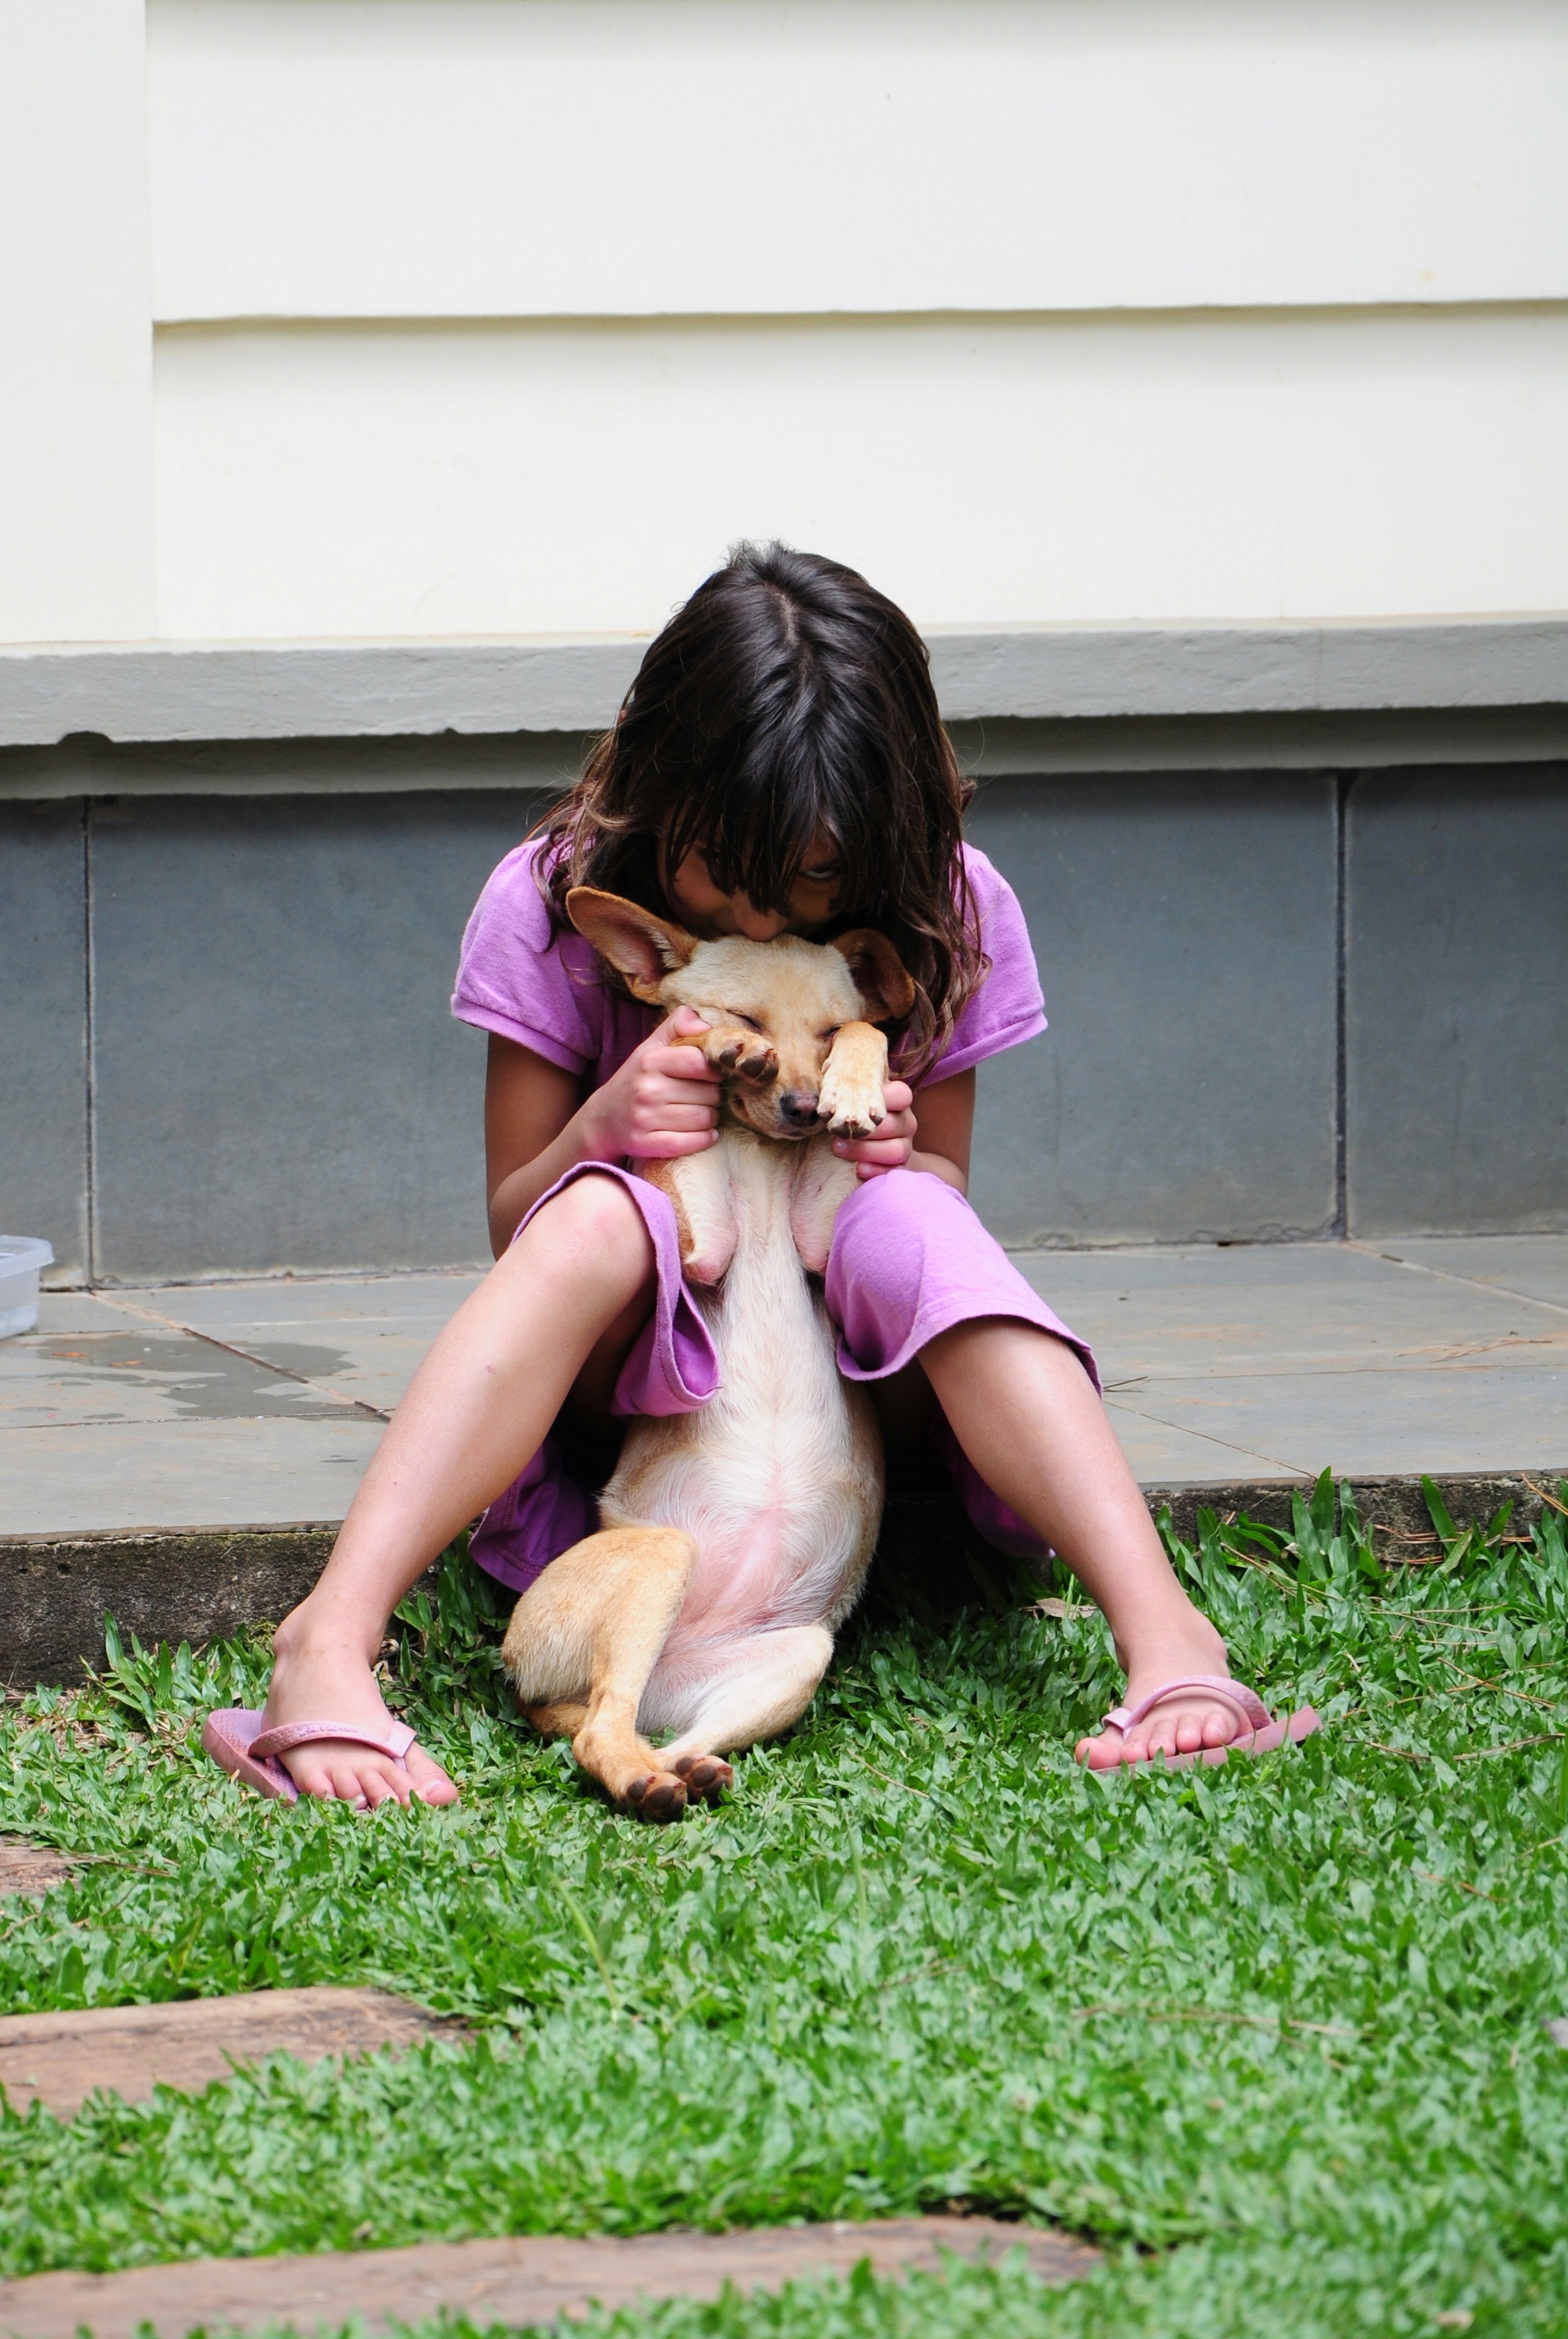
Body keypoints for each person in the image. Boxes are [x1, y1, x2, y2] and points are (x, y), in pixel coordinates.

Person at [208, 545, 1314, 1808]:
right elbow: (516, 1219)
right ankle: (326, 1640)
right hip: (643, 1398)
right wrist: (603, 1127)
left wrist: (899, 1155)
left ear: (890, 833)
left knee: (913, 1217)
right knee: (592, 1219)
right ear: (650, 781)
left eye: (814, 881)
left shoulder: (946, 911)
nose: (762, 919)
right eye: (723, 877)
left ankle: (1169, 1637)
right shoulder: (549, 900)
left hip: (843, 1391)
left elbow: (934, 1185)